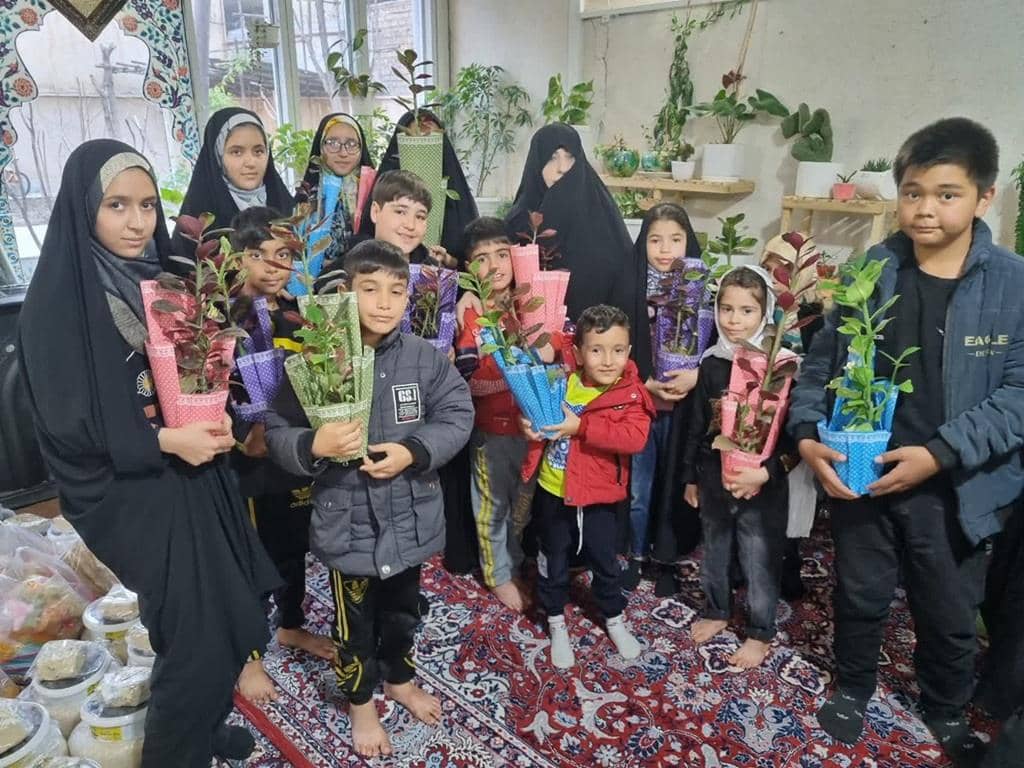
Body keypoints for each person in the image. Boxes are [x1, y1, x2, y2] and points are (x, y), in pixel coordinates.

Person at [18, 139, 280, 766]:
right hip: (131, 491)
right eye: (116, 205)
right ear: (85, 209)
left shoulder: (161, 280)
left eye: (147, 205)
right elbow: (66, 428)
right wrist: (166, 438)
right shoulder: (56, 307)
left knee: (232, 602)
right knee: (199, 637)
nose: (137, 222)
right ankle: (174, 753)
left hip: (193, 473)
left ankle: (207, 725)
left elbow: (186, 374)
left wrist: (215, 412)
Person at [787, 117, 1024, 764]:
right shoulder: (873, 267)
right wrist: (809, 435)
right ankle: (855, 684)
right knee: (859, 590)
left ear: (984, 197)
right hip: (862, 467)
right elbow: (820, 361)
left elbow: (1019, 396)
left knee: (948, 609)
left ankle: (944, 707)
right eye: (913, 191)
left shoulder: (1012, 284)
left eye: (947, 193)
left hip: (954, 482)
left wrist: (939, 454)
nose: (925, 208)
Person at [264, 239, 474, 758]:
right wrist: (314, 444)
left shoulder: (425, 360)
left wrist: (415, 452)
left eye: (396, 291)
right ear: (345, 293)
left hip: (408, 519)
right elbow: (274, 428)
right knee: (352, 626)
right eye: (369, 289)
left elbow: (458, 413)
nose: (384, 302)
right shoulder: (319, 358)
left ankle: (399, 679)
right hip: (347, 523)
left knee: (403, 613)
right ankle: (360, 703)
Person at [228, 207, 334, 671]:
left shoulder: (298, 314)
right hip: (248, 461)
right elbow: (205, 390)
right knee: (252, 550)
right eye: (260, 254)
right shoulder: (219, 322)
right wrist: (240, 435)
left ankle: (290, 624)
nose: (273, 265)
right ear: (236, 259)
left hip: (293, 452)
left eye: (284, 254)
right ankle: (249, 652)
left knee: (293, 544)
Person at [520, 304, 654, 668]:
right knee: (553, 559)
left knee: (605, 561)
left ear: (629, 351)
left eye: (617, 349)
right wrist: (530, 428)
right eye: (597, 350)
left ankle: (613, 617)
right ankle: (556, 620)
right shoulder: (561, 383)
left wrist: (581, 428)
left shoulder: (631, 395)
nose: (608, 360)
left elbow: (633, 438)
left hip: (600, 497)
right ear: (578, 352)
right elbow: (538, 422)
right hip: (554, 491)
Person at [682, 266, 794, 669]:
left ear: (765, 314)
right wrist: (690, 477)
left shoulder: (780, 365)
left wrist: (767, 472)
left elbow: (793, 436)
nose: (734, 320)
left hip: (762, 484)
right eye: (726, 309)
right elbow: (697, 425)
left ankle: (761, 630)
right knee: (715, 548)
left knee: (758, 555)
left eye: (747, 310)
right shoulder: (712, 363)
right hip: (715, 476)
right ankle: (716, 609)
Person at [455, 217, 562, 611]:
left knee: (522, 504)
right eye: (482, 258)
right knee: (491, 505)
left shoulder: (533, 306)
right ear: (469, 269)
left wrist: (540, 359)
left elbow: (558, 355)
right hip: (492, 432)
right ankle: (498, 574)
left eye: (503, 254)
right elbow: (471, 380)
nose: (496, 265)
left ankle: (514, 561)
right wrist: (523, 367)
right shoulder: (471, 315)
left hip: (535, 429)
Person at [502, 124, 643, 364]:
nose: (561, 168)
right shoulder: (520, 219)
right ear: (536, 163)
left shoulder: (601, 213)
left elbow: (625, 282)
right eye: (552, 157)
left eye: (570, 157)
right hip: (530, 352)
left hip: (598, 354)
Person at [625, 203, 702, 593]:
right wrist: (646, 385)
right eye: (655, 239)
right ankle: (637, 554)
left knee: (674, 485)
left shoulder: (701, 291)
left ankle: (667, 559)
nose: (665, 248)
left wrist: (696, 375)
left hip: (686, 409)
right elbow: (618, 350)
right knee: (640, 487)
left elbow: (719, 350)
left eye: (675, 239)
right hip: (643, 405)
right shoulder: (631, 285)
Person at [171, 107, 293, 260]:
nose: (250, 162)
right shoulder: (198, 219)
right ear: (218, 156)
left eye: (258, 151)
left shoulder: (287, 208)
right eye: (236, 152)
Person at [360, 109, 478, 265]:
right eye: (400, 211)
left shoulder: (456, 195)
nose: (410, 224)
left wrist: (448, 262)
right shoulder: (385, 191)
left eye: (432, 138)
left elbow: (471, 260)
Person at [289, 112, 376, 293]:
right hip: (313, 287)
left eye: (352, 144)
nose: (343, 153)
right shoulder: (306, 195)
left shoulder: (374, 192)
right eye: (333, 143)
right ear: (320, 147)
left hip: (366, 286)